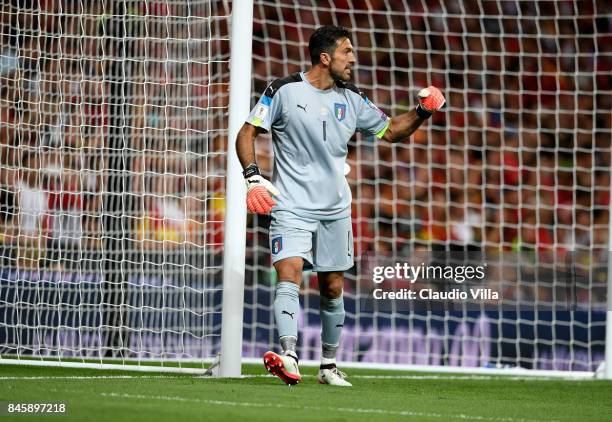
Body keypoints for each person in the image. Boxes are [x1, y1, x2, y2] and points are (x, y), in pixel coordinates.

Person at [236, 26, 445, 386]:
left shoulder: (352, 99)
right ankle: (288, 353)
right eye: (346, 51)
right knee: (289, 273)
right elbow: (247, 132)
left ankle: (329, 367)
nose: (353, 58)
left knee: (332, 288)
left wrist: (422, 111)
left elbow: (391, 131)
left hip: (335, 209)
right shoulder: (283, 91)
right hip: (290, 205)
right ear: (324, 57)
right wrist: (253, 177)